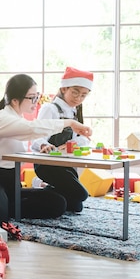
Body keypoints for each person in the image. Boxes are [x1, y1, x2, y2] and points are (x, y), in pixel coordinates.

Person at [0, 73, 92, 231]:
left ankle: (4, 205)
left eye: (36, 96)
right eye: (32, 97)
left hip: (11, 181)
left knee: (58, 203)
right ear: (15, 100)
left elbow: (31, 129)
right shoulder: (1, 119)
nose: (36, 101)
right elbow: (33, 129)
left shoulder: (19, 119)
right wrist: (69, 123)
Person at [31, 67, 93, 213]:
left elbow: (84, 140)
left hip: (66, 164)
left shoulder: (74, 111)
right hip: (47, 165)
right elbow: (36, 136)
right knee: (81, 194)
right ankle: (39, 184)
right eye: (75, 92)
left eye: (83, 95)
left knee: (75, 207)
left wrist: (75, 142)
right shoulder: (50, 109)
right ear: (64, 88)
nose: (78, 98)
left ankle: (47, 188)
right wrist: (45, 145)